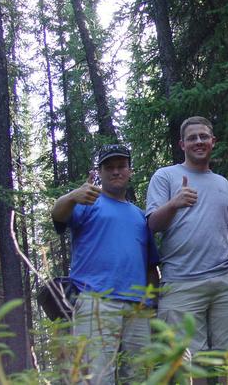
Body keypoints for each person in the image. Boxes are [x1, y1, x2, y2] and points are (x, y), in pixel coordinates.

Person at [145, 116, 228, 382]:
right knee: (188, 369)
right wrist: (174, 203)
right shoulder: (165, 176)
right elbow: (151, 224)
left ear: (212, 142)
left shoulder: (222, 183)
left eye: (204, 137)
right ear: (182, 144)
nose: (198, 142)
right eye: (192, 138)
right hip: (181, 284)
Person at [51, 144, 159, 384]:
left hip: (137, 308)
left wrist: (152, 306)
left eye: (121, 166)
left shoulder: (140, 215)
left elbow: (151, 265)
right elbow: (57, 215)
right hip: (96, 301)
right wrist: (71, 196)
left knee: (141, 377)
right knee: (96, 376)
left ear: (130, 170)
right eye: (109, 167)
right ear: (100, 172)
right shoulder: (88, 202)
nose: (116, 171)